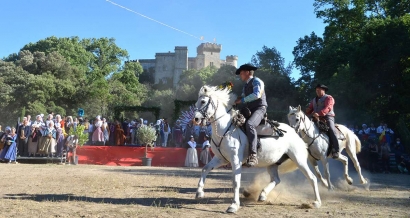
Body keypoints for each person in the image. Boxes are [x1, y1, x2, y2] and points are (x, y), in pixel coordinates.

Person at [234, 64, 267, 167]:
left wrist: (242, 100)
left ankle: (253, 155)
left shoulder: (257, 81)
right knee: (237, 124)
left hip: (260, 108)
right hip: (250, 110)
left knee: (250, 124)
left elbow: (257, 95)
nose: (240, 75)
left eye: (241, 72)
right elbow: (242, 97)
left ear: (248, 72)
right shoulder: (245, 85)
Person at [306, 84, 339, 159]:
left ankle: (336, 150)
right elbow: (310, 108)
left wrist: (319, 113)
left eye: (318, 90)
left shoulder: (329, 98)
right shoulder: (314, 100)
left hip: (327, 117)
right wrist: (308, 110)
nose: (317, 91)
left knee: (331, 129)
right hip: (316, 117)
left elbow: (328, 107)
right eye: (316, 90)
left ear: (323, 90)